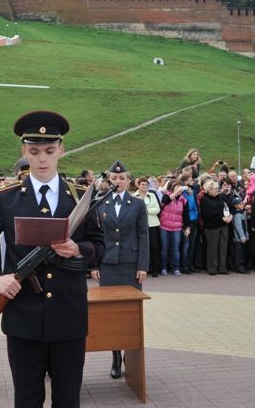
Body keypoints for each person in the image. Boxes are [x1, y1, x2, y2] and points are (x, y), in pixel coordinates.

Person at [0, 110, 104, 408]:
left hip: (68, 316)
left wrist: (78, 250)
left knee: (68, 399)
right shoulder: (7, 197)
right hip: (23, 318)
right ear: (24, 151)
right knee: (27, 399)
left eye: (49, 151)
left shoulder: (80, 196)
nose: (42, 159)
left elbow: (100, 247)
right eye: (34, 151)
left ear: (61, 150)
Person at [92, 159, 148, 379]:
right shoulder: (99, 203)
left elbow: (144, 236)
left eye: (122, 178)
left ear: (128, 179)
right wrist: (94, 264)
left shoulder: (137, 204)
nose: (118, 181)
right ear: (109, 179)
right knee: (111, 315)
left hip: (130, 264)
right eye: (114, 178)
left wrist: (143, 265)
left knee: (131, 314)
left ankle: (130, 356)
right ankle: (116, 357)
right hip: (108, 264)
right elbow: (95, 237)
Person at [199, 180, 232, 275]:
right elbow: (208, 213)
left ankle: (222, 267)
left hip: (224, 225)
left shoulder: (220, 197)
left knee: (223, 247)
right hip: (212, 226)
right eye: (215, 189)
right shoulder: (204, 199)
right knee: (213, 248)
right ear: (209, 190)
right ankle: (212, 268)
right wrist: (222, 218)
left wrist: (230, 216)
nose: (217, 190)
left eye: (217, 188)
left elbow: (227, 207)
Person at [134, 177, 161, 277]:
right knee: (142, 247)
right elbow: (134, 211)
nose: (144, 186)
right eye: (142, 184)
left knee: (154, 246)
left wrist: (146, 211)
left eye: (146, 185)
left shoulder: (152, 195)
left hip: (153, 224)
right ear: (138, 185)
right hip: (140, 226)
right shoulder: (134, 196)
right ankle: (144, 267)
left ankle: (155, 268)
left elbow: (157, 209)